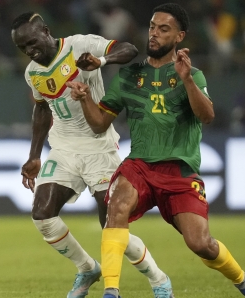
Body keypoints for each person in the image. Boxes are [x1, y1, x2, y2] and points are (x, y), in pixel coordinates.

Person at [67, 3, 245, 298]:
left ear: (180, 36)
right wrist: (85, 98)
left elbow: (207, 116)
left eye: (163, 29)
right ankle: (111, 292)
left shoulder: (192, 75)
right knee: (115, 209)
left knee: (201, 243)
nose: (154, 34)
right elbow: (99, 124)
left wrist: (187, 79)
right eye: (153, 27)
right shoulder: (129, 77)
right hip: (139, 166)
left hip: (179, 171)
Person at [11, 12, 173, 298]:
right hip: (63, 148)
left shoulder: (79, 44)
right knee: (42, 214)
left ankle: (159, 279)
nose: (30, 51)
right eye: (22, 48)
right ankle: (86, 268)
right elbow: (41, 109)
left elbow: (129, 49)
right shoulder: (31, 73)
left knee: (111, 226)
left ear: (46, 31)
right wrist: (35, 155)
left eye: (32, 42)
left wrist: (102, 60)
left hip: (100, 146)